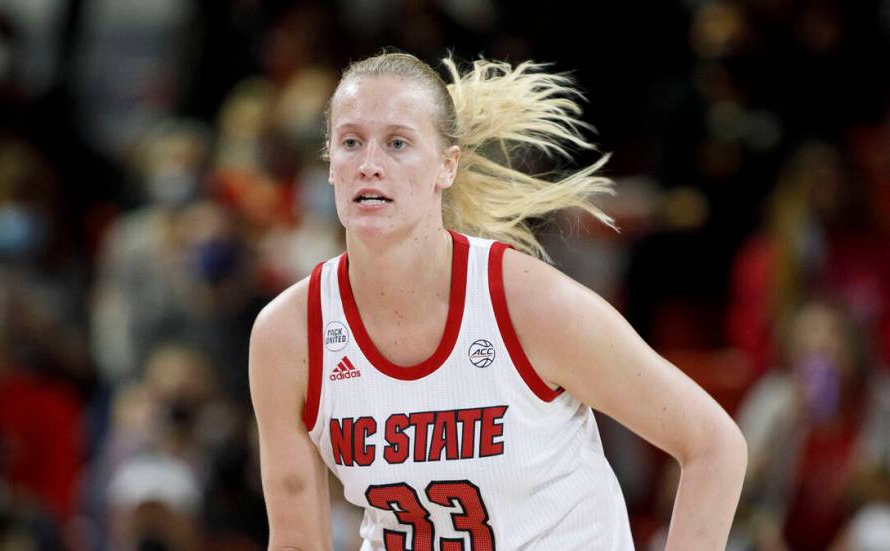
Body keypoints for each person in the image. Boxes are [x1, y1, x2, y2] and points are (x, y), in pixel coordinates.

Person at [249, 51, 747, 550]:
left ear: (447, 165)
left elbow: (713, 446)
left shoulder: (529, 305)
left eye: (397, 143)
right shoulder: (289, 335)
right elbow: (296, 542)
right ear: (330, 166)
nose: (370, 165)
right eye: (351, 143)